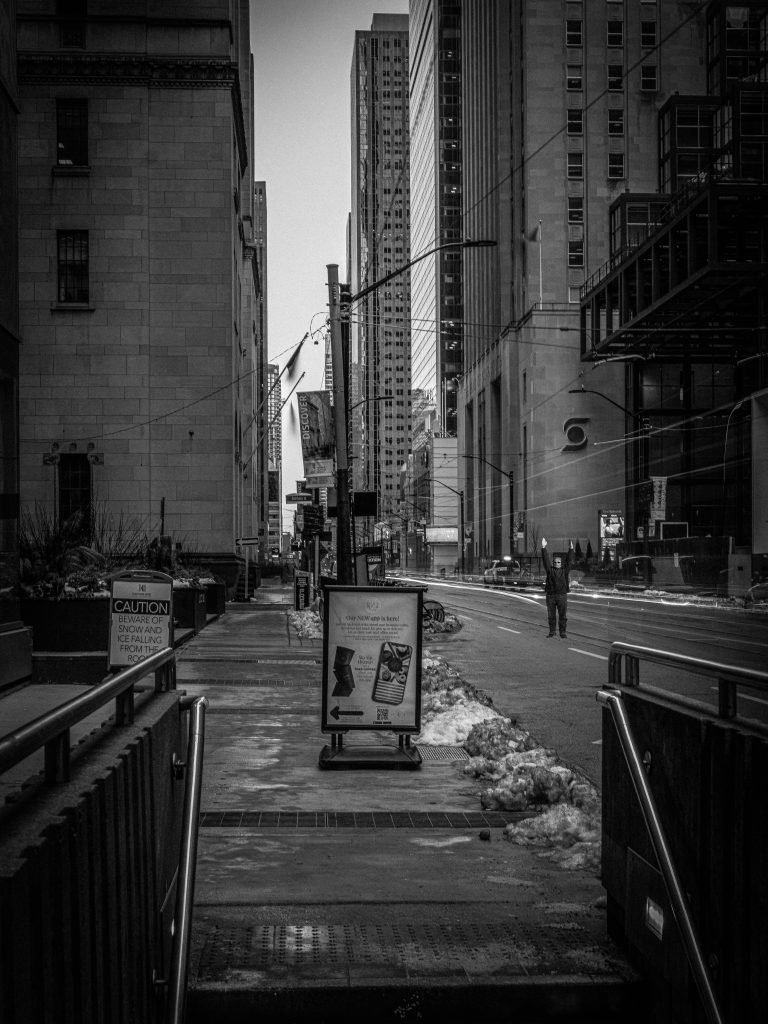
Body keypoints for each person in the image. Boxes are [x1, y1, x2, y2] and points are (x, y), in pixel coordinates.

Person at [541, 537, 575, 638]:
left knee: (563, 616)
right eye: (555, 562)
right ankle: (552, 632)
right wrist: (543, 548)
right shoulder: (550, 570)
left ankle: (562, 632)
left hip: (562, 596)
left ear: (561, 563)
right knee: (551, 616)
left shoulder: (565, 570)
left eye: (558, 562)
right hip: (551, 596)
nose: (556, 564)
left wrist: (571, 549)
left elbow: (569, 561)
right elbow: (545, 560)